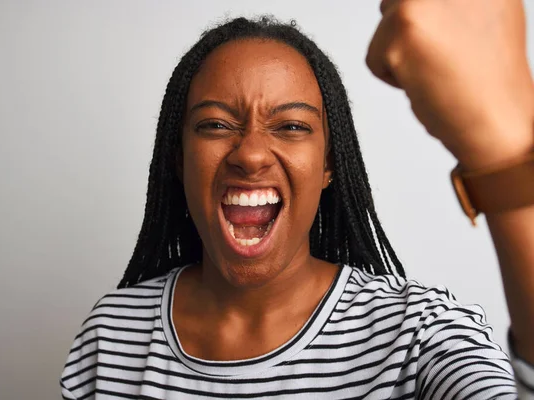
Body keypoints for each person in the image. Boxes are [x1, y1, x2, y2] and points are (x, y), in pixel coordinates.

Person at [61, 1, 534, 398]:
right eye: (214, 125)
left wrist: (504, 155)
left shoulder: (419, 337)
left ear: (330, 164)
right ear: (177, 159)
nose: (249, 153)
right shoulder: (110, 336)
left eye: (290, 126)